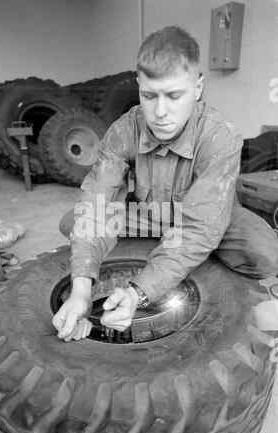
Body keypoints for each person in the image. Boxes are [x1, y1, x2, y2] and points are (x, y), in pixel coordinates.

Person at [53, 25, 278, 342]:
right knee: (75, 223)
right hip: (150, 213)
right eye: (149, 96)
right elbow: (97, 203)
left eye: (174, 96)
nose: (160, 112)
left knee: (264, 252)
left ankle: (183, 256)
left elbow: (200, 226)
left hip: (209, 218)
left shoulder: (220, 136)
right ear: (139, 86)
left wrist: (137, 292)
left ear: (197, 88)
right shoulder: (123, 131)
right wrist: (80, 288)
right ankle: (170, 253)